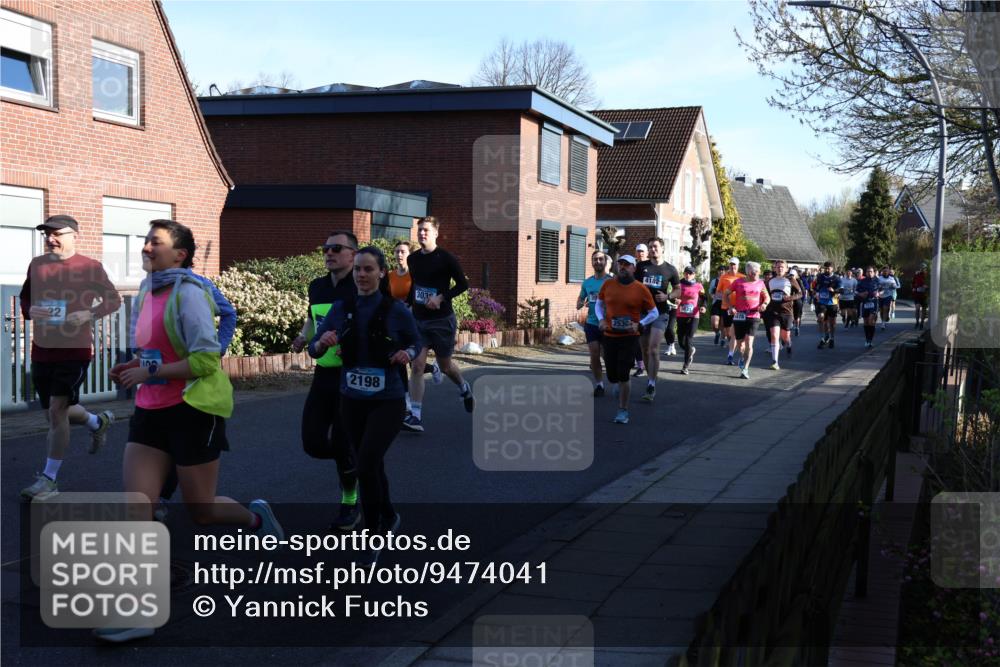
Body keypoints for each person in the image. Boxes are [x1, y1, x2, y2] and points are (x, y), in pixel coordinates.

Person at [101, 220, 283, 643]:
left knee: (200, 510)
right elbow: (150, 353)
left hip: (194, 408)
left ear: (180, 255)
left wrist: (153, 372)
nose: (146, 247)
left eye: (155, 243)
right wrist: (132, 369)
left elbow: (204, 361)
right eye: (146, 241)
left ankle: (257, 517)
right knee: (135, 506)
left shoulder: (189, 294)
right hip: (150, 409)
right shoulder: (147, 291)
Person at [309, 247, 422, 564]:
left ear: (381, 273)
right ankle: (388, 514)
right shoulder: (341, 307)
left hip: (388, 401)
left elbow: (416, 342)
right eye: (358, 269)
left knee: (367, 462)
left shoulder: (396, 310)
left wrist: (408, 355)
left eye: (368, 269)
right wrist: (323, 342)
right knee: (370, 463)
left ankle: (374, 535)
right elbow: (314, 349)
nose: (361, 274)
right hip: (351, 400)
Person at [19, 215, 121, 500]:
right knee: (57, 411)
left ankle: (49, 480)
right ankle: (96, 422)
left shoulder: (90, 267)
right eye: (46, 234)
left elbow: (114, 299)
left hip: (74, 350)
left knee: (56, 412)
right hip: (42, 348)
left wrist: (89, 314)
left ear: (75, 235)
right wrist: (31, 310)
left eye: (56, 233)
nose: (50, 238)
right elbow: (25, 297)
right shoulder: (37, 265)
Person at [290, 231, 360, 531]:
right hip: (323, 374)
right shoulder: (317, 286)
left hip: (351, 377)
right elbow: (312, 317)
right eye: (326, 248)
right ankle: (355, 459)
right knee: (313, 443)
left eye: (336, 248)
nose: (329, 253)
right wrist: (303, 335)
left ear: (352, 255)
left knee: (343, 440)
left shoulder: (361, 286)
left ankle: (349, 501)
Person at [154, 270, 236, 521]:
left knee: (201, 506)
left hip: (195, 386)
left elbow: (229, 313)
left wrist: (218, 347)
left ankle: (253, 518)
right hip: (160, 384)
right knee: (160, 445)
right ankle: (159, 499)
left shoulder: (198, 284)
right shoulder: (151, 287)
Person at [403, 216, 473, 433]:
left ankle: (464, 387)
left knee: (444, 366)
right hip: (418, 319)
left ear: (435, 233)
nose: (422, 233)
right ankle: (415, 414)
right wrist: (408, 304)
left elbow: (463, 284)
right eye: (419, 230)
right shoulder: (413, 259)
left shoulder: (446, 258)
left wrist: (441, 298)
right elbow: (415, 285)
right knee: (416, 365)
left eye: (426, 230)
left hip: (442, 321)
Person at [595, 255, 657, 424]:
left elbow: (654, 313)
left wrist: (641, 324)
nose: (622, 267)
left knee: (624, 374)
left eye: (627, 265)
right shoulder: (608, 284)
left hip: (629, 337)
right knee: (612, 375)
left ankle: (623, 410)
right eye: (620, 264)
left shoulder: (641, 288)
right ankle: (617, 384)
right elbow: (598, 304)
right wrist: (601, 319)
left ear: (633, 268)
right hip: (609, 335)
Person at [635, 238, 680, 401]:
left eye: (655, 247)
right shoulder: (641, 267)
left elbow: (678, 290)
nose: (652, 249)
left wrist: (667, 296)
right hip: (642, 313)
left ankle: (652, 384)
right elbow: (633, 285)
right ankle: (650, 377)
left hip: (660, 312)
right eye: (650, 247)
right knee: (645, 349)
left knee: (654, 348)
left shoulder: (670, 269)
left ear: (662, 249)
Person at [576, 250, 612, 396]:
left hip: (608, 323)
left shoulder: (611, 281)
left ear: (605, 262)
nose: (597, 262)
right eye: (595, 260)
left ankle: (613, 377)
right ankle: (599, 385)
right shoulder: (587, 282)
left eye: (600, 259)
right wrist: (579, 303)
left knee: (607, 355)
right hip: (591, 323)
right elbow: (580, 298)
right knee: (594, 353)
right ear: (592, 262)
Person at [726, 261, 769, 379]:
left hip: (754, 316)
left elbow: (767, 297)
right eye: (754, 272)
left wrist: (764, 304)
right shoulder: (738, 282)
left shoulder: (761, 283)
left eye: (758, 272)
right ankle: (742, 356)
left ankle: (745, 369)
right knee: (740, 344)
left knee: (749, 342)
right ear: (749, 272)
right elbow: (726, 293)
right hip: (739, 315)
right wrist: (730, 307)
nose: (757, 274)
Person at [763, 260, 801, 370]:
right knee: (774, 335)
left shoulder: (791, 280)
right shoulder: (770, 281)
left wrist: (789, 298)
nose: (780, 269)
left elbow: (800, 293)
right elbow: (765, 294)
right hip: (773, 312)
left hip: (786, 312)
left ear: (786, 269)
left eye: (782, 267)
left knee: (785, 337)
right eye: (778, 267)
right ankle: (775, 362)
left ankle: (788, 344)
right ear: (774, 268)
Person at [670, 266, 706, 375]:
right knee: (681, 341)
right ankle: (690, 350)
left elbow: (704, 298)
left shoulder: (699, 285)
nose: (688, 275)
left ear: (694, 274)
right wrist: (675, 299)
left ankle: (685, 366)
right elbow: (672, 295)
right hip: (681, 314)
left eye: (690, 273)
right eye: (686, 273)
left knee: (688, 339)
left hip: (694, 315)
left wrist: (703, 306)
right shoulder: (679, 284)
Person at [714, 257, 745, 365]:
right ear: (729, 265)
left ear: (738, 265)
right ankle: (732, 345)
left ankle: (731, 354)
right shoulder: (723, 277)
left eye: (735, 264)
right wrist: (725, 296)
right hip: (726, 307)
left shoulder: (742, 277)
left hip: (739, 308)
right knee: (728, 333)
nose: (733, 266)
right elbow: (718, 292)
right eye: (731, 264)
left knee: (735, 332)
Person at [813, 261, 842, 349]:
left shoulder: (837, 278)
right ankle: (823, 338)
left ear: (832, 268)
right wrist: (816, 293)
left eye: (828, 268)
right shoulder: (820, 277)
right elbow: (815, 287)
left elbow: (841, 290)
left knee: (832, 323)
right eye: (825, 268)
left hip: (832, 303)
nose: (826, 270)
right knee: (821, 318)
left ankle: (832, 338)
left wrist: (834, 291)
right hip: (822, 302)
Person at [857, 266, 883, 348]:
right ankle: (867, 339)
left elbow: (882, 290)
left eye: (871, 271)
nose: (869, 273)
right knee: (866, 322)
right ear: (866, 272)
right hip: (865, 303)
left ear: (874, 272)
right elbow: (856, 291)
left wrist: (879, 294)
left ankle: (870, 340)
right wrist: (861, 294)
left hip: (874, 302)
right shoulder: (862, 281)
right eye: (868, 271)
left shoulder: (877, 280)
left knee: (871, 321)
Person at [877, 266, 900, 330]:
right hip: (881, 296)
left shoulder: (891, 278)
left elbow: (896, 286)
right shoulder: (879, 278)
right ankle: (883, 320)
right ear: (882, 272)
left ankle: (883, 323)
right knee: (881, 310)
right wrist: (879, 288)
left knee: (885, 308)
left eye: (886, 271)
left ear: (888, 272)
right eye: (884, 271)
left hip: (888, 295)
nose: (885, 272)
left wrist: (893, 286)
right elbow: (876, 286)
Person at [708, 267, 725, 345]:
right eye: (719, 270)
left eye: (723, 270)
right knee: (714, 323)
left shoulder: (728, 280)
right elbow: (710, 291)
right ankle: (717, 333)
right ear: (718, 271)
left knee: (723, 323)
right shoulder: (714, 281)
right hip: (716, 303)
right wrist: (712, 296)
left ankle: (722, 338)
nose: (721, 272)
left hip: (725, 303)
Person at [912, 262, 928, 329]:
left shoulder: (928, 275)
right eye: (921, 268)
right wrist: (913, 288)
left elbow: (930, 283)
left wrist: (927, 286)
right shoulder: (917, 275)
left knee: (924, 309)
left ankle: (922, 323)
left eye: (923, 268)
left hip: (925, 295)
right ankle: (917, 322)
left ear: (925, 268)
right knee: (917, 308)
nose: (922, 269)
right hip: (917, 294)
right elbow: (913, 282)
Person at [789, 268, 805, 336]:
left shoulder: (787, 280)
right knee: (797, 315)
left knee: (792, 313)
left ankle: (792, 325)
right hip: (798, 300)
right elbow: (803, 291)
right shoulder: (799, 281)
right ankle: (797, 327)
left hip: (791, 300)